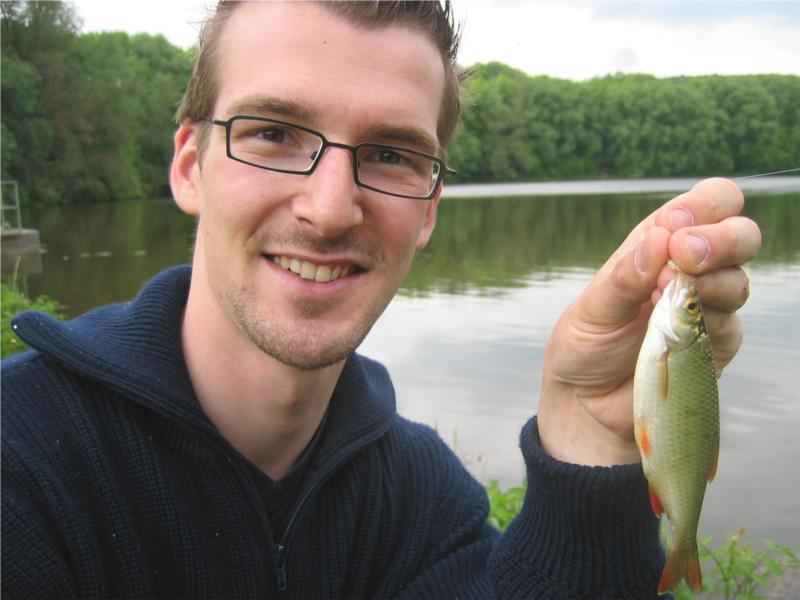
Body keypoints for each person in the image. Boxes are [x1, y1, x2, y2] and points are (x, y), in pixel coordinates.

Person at [1, 1, 760, 598]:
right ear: (191, 167)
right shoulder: (21, 460)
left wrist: (590, 446)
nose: (329, 209)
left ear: (428, 209)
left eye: (391, 155)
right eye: (273, 133)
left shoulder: (431, 507)